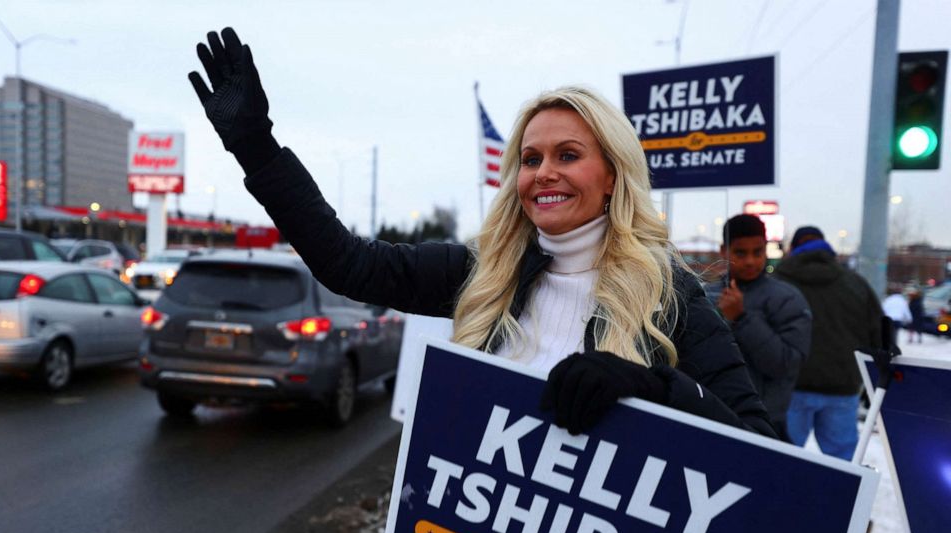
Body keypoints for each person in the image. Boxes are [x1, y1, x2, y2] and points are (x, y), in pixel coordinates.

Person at [187, 28, 775, 438]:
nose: (543, 172)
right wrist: (257, 149)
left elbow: (762, 448)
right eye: (530, 158)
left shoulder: (671, 294)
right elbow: (348, 264)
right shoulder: (483, 271)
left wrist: (653, 388)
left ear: (612, 176)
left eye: (568, 155)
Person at [774, 226, 882, 459]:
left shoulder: (778, 281)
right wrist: (873, 381)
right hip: (842, 386)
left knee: (781, 461)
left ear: (793, 248)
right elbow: (879, 333)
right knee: (842, 465)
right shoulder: (855, 284)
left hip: (789, 387)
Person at [705, 214, 812, 441]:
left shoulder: (787, 299)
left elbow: (785, 365)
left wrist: (742, 318)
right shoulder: (705, 295)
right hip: (710, 417)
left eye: (758, 252)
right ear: (724, 251)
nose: (750, 261)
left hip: (765, 425)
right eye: (740, 253)